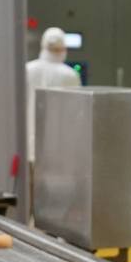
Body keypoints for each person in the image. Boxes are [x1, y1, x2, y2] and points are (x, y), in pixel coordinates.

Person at [24, 26, 81, 167]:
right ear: (63, 49)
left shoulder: (28, 69)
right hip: (59, 147)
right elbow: (76, 113)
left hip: (27, 144)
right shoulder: (70, 75)